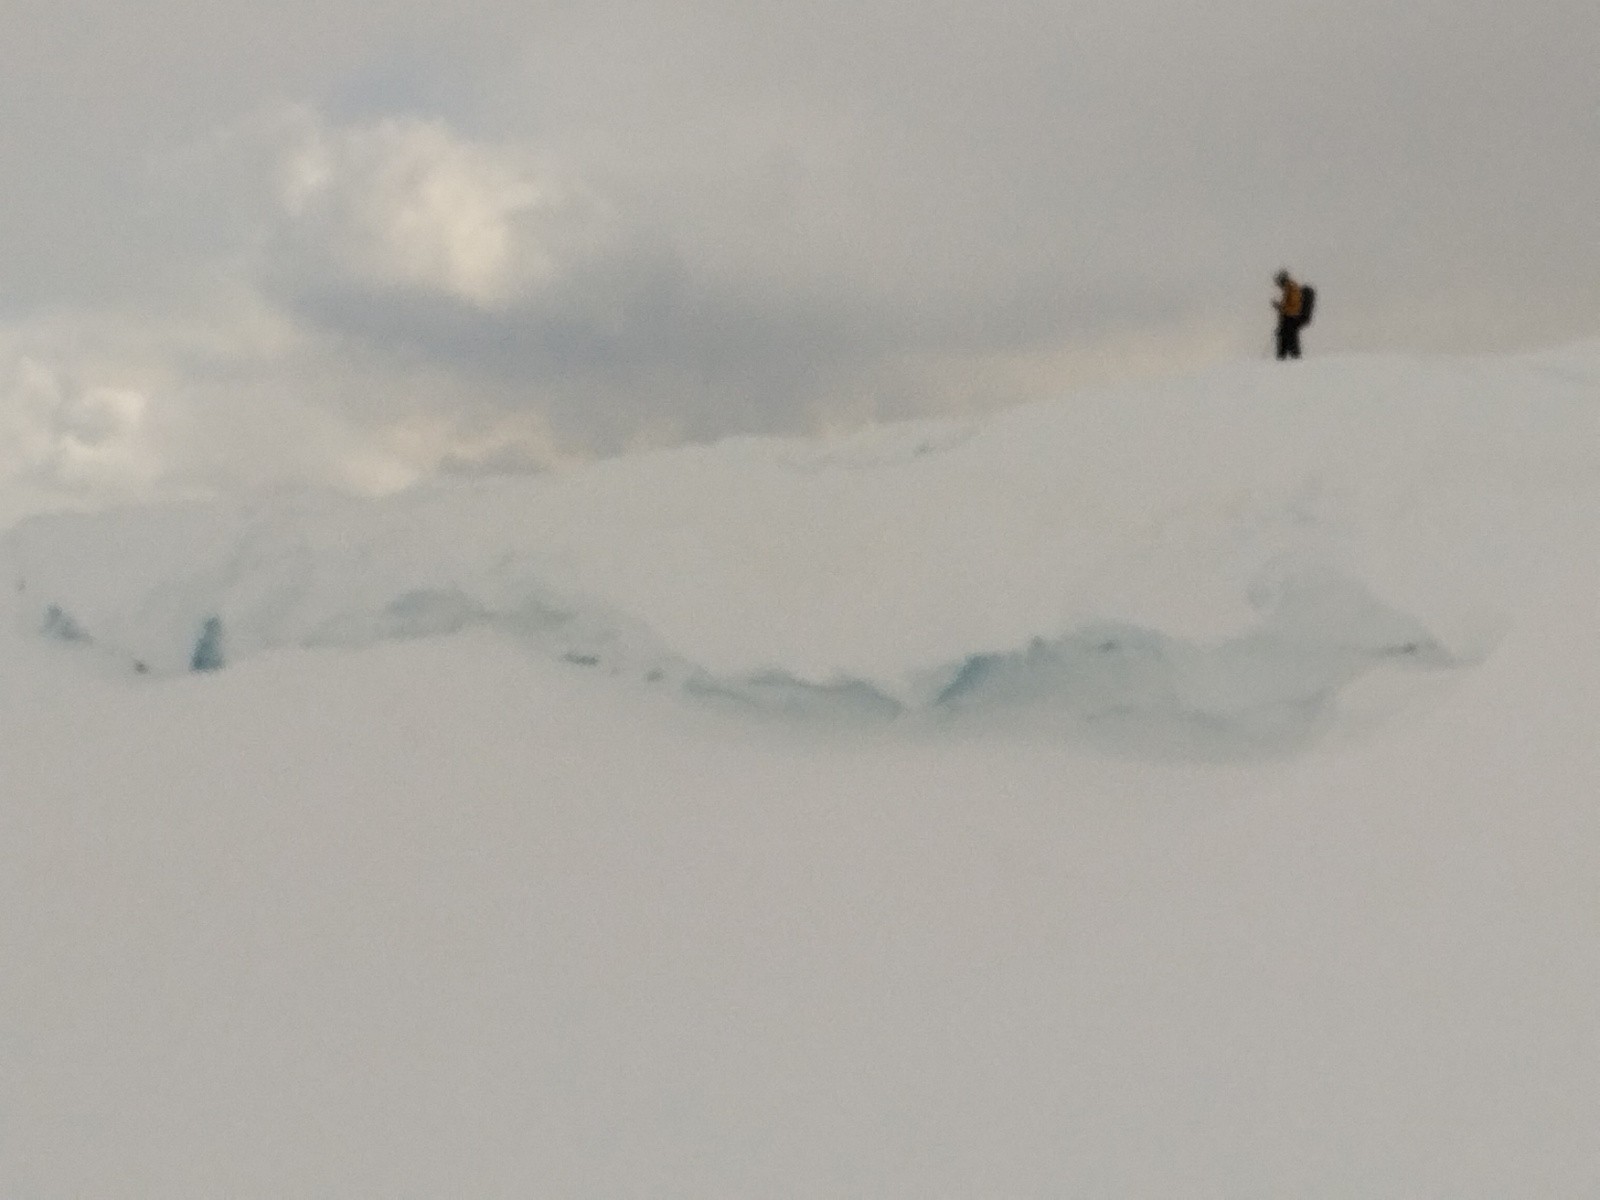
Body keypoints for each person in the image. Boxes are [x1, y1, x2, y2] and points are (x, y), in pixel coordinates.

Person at [1272, 269, 1306, 360]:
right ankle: (1283, 357)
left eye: (1279, 282)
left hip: (1290, 317)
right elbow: (1289, 304)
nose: (1279, 285)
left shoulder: (1291, 288)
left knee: (1289, 337)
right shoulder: (1289, 288)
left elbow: (1293, 305)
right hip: (1289, 316)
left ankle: (1292, 357)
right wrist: (1280, 307)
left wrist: (1281, 308)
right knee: (1285, 337)